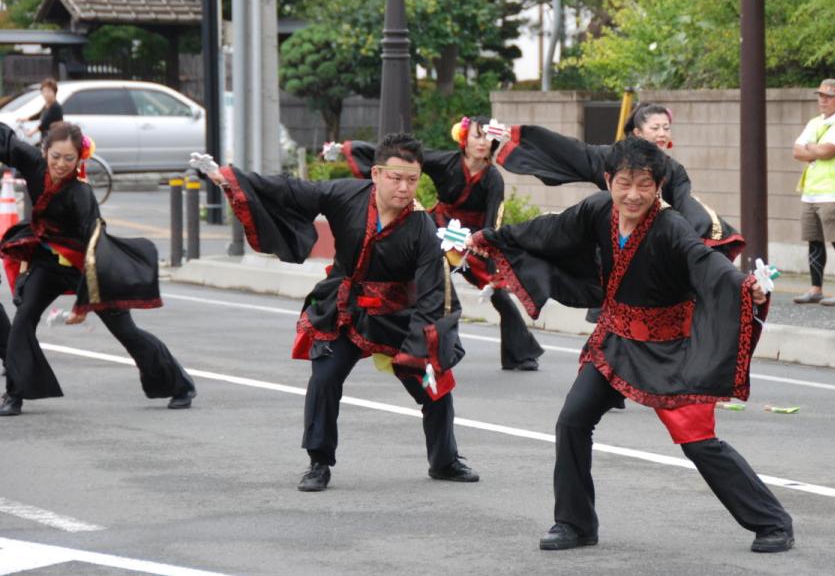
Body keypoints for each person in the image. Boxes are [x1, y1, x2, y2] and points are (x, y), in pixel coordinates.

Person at [468, 138, 794, 554]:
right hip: (613, 342)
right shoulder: (597, 210)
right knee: (572, 422)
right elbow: (550, 229)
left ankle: (772, 522)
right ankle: (574, 523)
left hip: (667, 350)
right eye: (624, 183)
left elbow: (705, 262)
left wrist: (746, 288)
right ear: (609, 181)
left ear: (658, 185)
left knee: (698, 442)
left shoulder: (671, 225)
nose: (633, 194)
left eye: (644, 184)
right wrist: (491, 238)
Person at [202, 132, 479, 491]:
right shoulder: (346, 194)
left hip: (397, 316)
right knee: (325, 378)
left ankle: (444, 460)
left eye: (412, 180)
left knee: (434, 386)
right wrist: (234, 178)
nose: (404, 188)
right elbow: (293, 190)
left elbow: (431, 295)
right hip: (345, 308)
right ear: (376, 174)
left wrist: (420, 349)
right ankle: (319, 462)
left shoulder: (422, 228)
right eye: (395, 178)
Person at [0, 122, 195, 417]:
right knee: (24, 318)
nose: (60, 165)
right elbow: (6, 139)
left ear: (80, 159)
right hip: (49, 262)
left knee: (126, 332)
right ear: (45, 151)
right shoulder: (33, 164)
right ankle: (15, 393)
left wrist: (84, 302)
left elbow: (93, 250)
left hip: (89, 268)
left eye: (69, 159)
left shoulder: (81, 195)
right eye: (55, 156)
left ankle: (180, 384)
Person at [329, 117, 544, 371]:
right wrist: (346, 149)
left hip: (470, 240)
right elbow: (404, 157)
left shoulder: (492, 177)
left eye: (487, 137)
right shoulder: (446, 161)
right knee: (434, 289)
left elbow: (493, 215)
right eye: (477, 136)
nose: (483, 142)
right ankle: (420, 345)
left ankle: (519, 353)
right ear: (464, 138)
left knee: (498, 292)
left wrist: (484, 246)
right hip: (438, 232)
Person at [492, 102, 744, 260]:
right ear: (637, 132)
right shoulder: (612, 157)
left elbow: (685, 205)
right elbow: (575, 152)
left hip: (657, 248)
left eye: (666, 128)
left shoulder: (673, 170)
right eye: (655, 128)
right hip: (618, 242)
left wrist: (700, 244)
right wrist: (519, 137)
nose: (662, 133)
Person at [791, 79, 835, 307]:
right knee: (814, 241)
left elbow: (828, 151)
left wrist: (811, 148)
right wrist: (815, 150)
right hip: (811, 192)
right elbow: (796, 151)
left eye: (828, 97)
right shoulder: (815, 122)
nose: (822, 100)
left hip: (834, 192)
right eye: (820, 95)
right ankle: (815, 288)